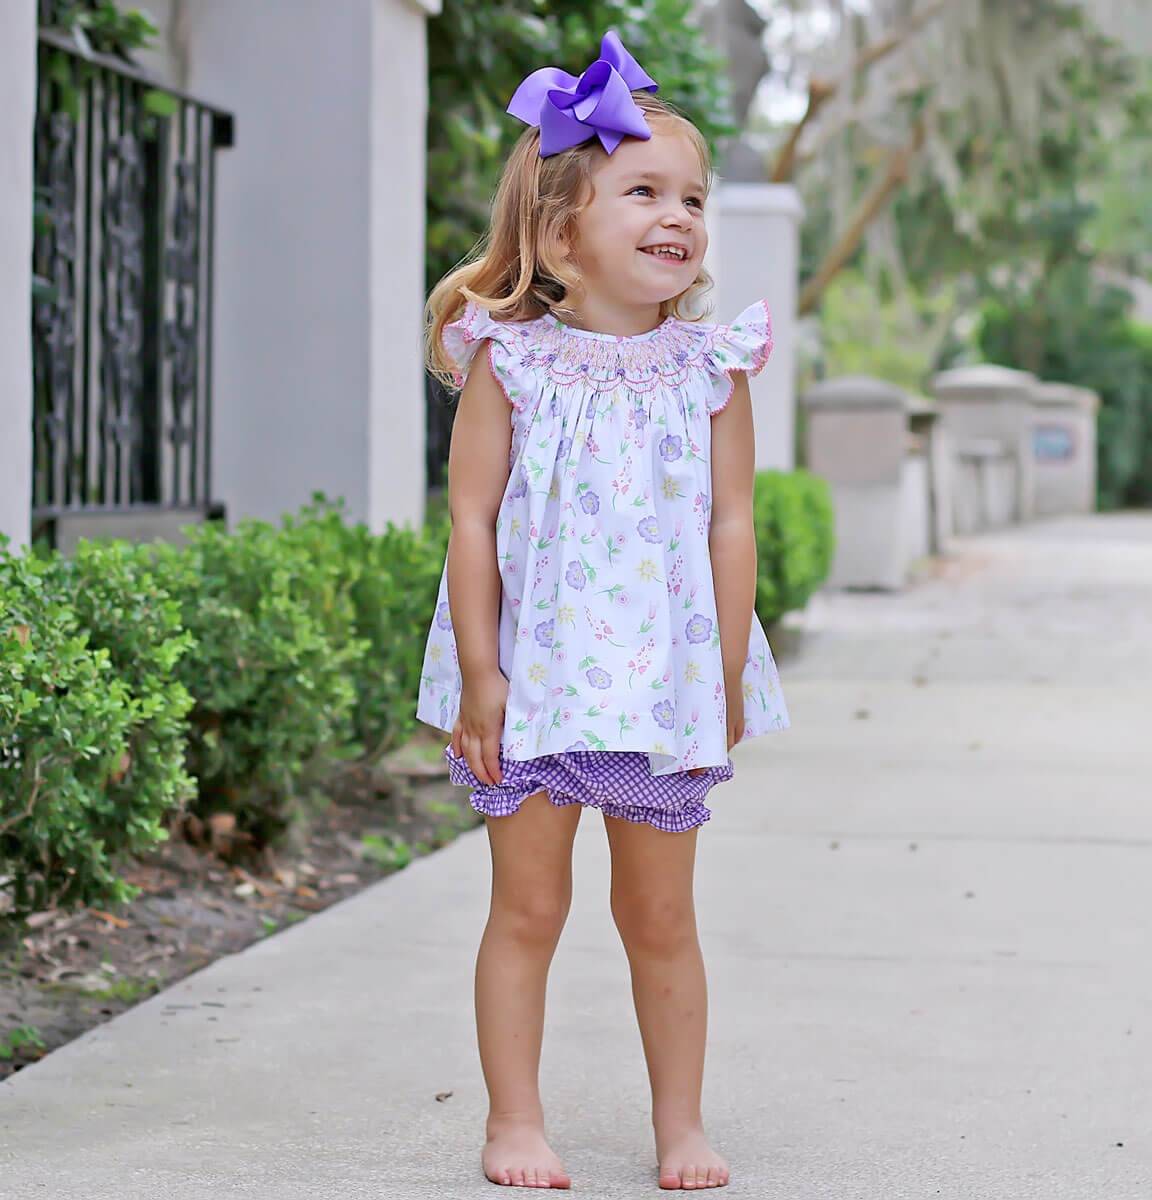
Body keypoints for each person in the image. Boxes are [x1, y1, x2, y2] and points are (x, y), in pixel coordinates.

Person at [415, 31, 789, 1191]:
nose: (677, 215)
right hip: (532, 687)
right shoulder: (510, 363)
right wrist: (483, 674)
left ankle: (680, 1124)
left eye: (691, 197)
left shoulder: (711, 370)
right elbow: (470, 522)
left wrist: (722, 675)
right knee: (527, 909)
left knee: (660, 919)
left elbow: (733, 527)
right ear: (559, 234)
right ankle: (513, 1123)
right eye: (644, 192)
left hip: (662, 690)